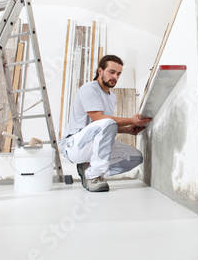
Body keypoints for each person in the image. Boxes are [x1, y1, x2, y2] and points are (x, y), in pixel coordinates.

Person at [58, 55, 152, 192]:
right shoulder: (89, 89)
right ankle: (94, 176)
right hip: (74, 145)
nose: (115, 77)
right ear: (100, 71)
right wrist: (131, 120)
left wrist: (128, 130)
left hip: (94, 143)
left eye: (118, 74)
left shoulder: (111, 97)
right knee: (107, 122)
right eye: (111, 72)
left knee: (135, 158)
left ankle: (89, 169)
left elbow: (106, 127)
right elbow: (99, 119)